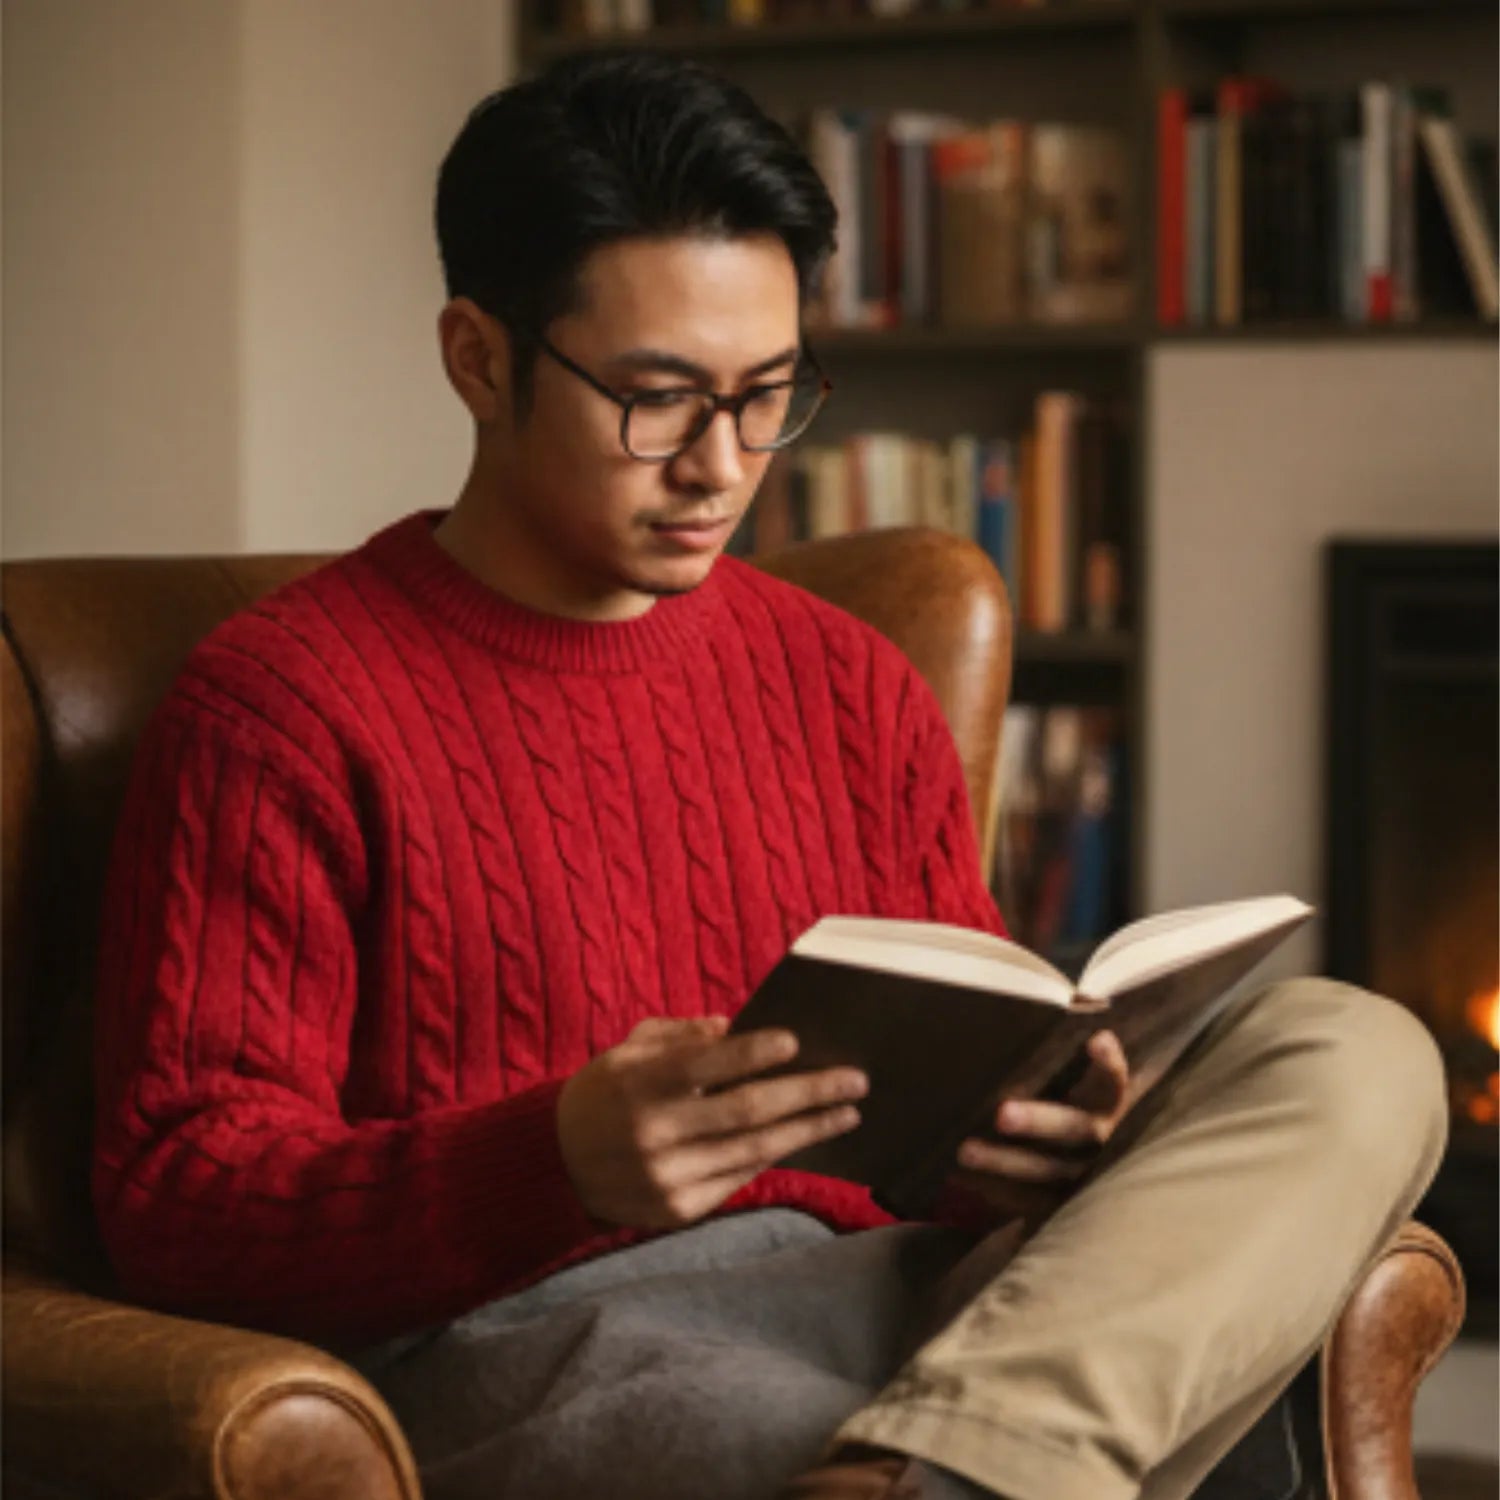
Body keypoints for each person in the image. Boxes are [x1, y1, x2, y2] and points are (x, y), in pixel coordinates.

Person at [91, 49, 1447, 1500]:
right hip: (551, 1342)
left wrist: (1032, 1129)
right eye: (659, 399)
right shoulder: (286, 704)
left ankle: (935, 1474)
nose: (722, 467)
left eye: (770, 395)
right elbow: (177, 1192)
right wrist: (552, 1159)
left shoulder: (848, 681)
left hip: (926, 1312)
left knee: (1348, 1047)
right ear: (477, 357)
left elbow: (948, 1094)